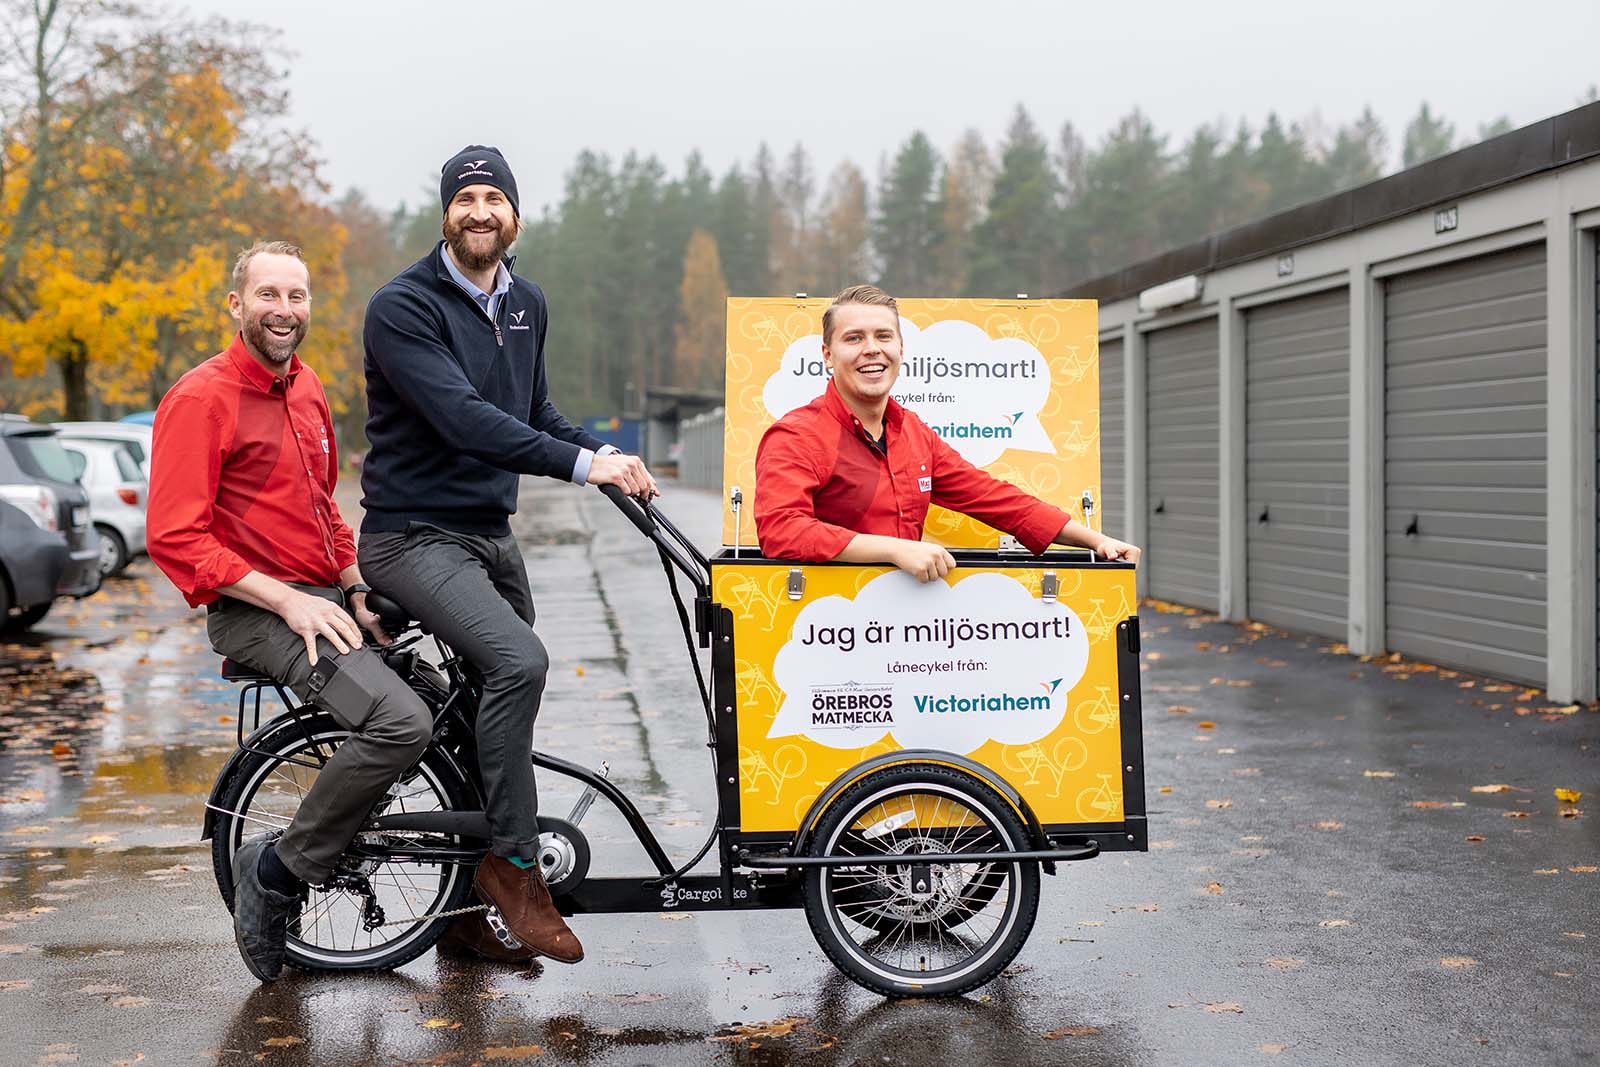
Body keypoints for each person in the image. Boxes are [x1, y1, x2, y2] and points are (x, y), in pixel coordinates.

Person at [357, 144, 656, 966]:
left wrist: (607, 459)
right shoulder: (402, 307)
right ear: (446, 213)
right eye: (466, 198)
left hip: (488, 534)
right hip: (411, 535)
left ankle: (458, 915)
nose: (480, 211)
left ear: (514, 214)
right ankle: (513, 867)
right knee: (519, 662)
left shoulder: (527, 302)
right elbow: (461, 417)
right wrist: (581, 464)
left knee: (490, 702)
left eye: (494, 197)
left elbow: (533, 409)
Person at [147, 241, 432, 983]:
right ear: (236, 305)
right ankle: (277, 872)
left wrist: (356, 585)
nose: (284, 310)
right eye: (268, 295)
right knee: (400, 721)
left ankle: (479, 900)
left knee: (446, 699)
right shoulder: (200, 398)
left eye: (297, 296)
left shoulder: (306, 388)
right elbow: (176, 536)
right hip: (255, 610)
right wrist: (285, 598)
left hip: (323, 596)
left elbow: (323, 512)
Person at [756, 284, 1141, 578]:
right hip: (824, 629)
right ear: (828, 354)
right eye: (854, 338)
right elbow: (782, 531)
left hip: (908, 627)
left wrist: (1097, 541)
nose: (872, 349)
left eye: (883, 336)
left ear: (901, 350)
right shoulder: (796, 436)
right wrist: (892, 549)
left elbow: (996, 499)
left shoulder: (914, 433)